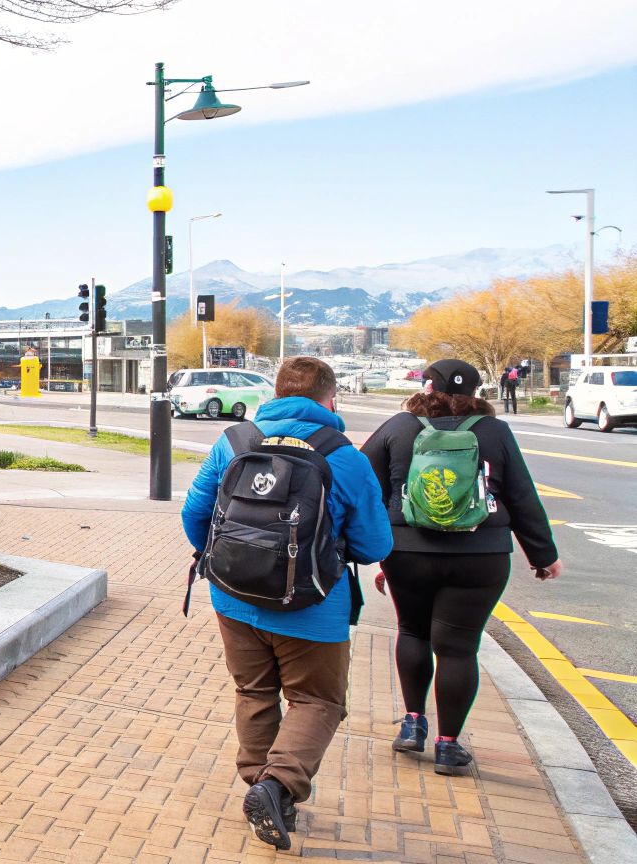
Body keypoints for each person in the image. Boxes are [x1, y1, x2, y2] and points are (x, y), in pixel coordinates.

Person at [182, 356, 392, 851]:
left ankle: (260, 788)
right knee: (317, 700)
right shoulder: (344, 455)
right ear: (330, 398)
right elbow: (374, 545)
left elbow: (195, 512)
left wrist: (223, 561)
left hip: (233, 598)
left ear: (275, 393)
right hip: (312, 607)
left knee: (254, 691)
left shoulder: (234, 441)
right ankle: (278, 788)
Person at [362, 359, 559, 778]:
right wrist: (542, 555)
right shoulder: (494, 432)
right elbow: (522, 496)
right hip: (481, 555)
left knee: (412, 631)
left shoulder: (399, 427)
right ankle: (449, 747)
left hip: (408, 552)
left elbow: (365, 487)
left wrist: (378, 544)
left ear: (425, 386)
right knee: (458, 648)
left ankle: (413, 723)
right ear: (476, 391)